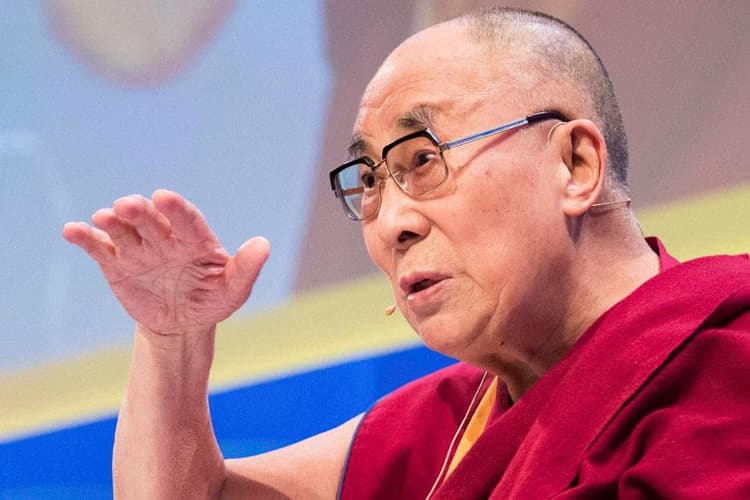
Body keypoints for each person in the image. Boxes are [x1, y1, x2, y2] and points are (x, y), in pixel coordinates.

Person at [63, 7, 750, 499]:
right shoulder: (450, 424)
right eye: (369, 181)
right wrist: (172, 340)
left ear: (574, 164)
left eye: (423, 160)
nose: (391, 223)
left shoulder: (723, 363)